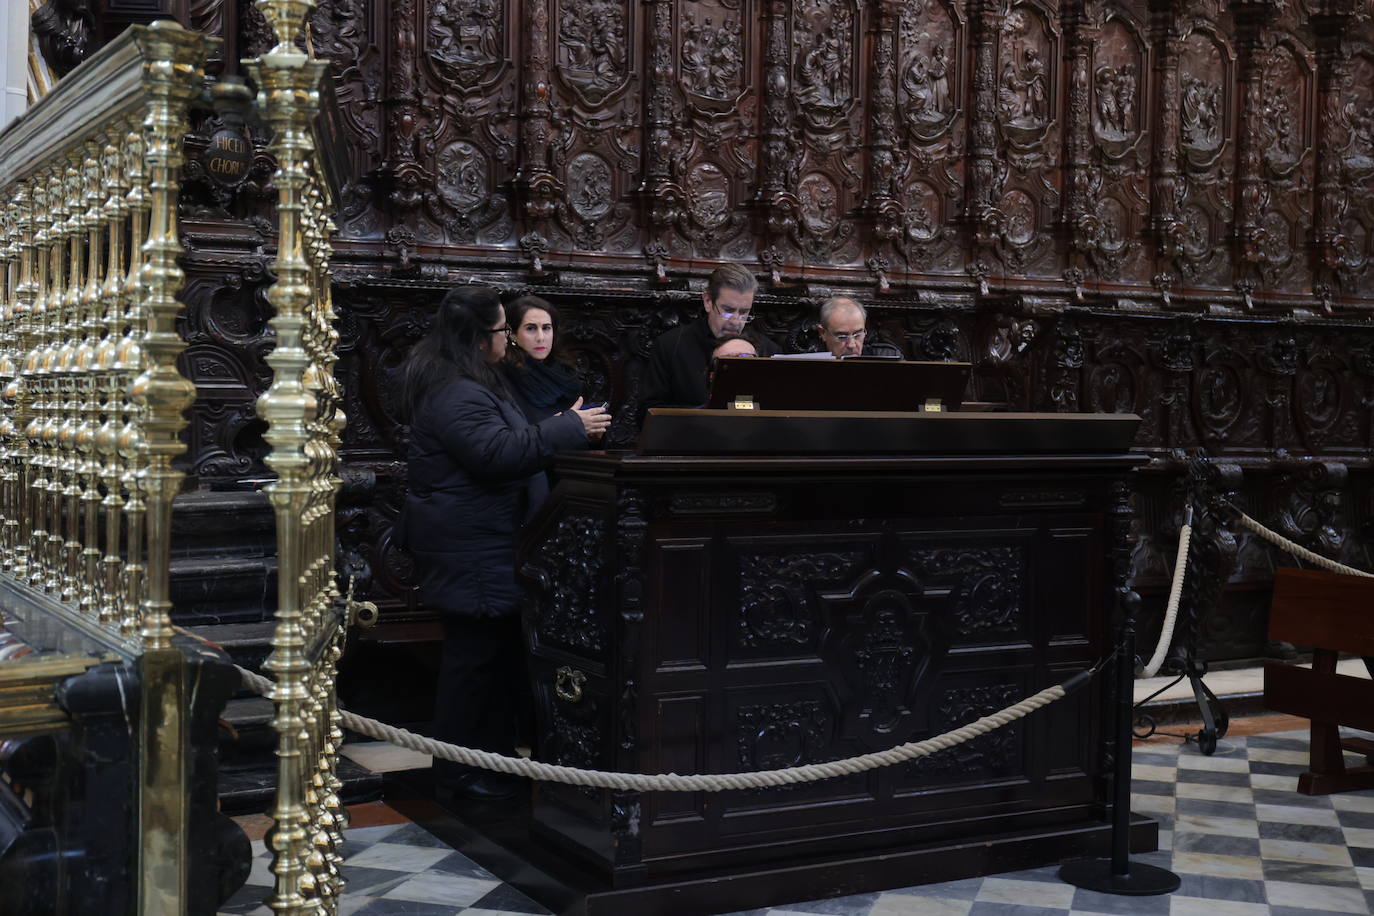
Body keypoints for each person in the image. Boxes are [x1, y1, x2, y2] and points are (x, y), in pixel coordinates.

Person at [398, 286, 610, 801]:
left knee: (487, 664)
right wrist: (567, 428)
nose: (507, 340)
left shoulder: (468, 381)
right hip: (472, 548)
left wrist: (559, 426)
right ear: (479, 338)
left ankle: (487, 768)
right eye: (501, 331)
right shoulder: (457, 390)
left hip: (482, 544)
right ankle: (458, 775)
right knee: (471, 667)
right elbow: (494, 454)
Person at [641, 264, 776, 414]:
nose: (736, 321)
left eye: (744, 312)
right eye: (728, 310)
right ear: (707, 301)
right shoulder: (670, 346)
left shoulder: (768, 350)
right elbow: (648, 411)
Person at [502, 295, 583, 423]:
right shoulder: (504, 376)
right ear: (512, 334)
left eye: (546, 328)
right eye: (530, 328)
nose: (541, 337)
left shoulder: (566, 371)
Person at [816, 296, 903, 359]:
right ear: (822, 332)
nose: (851, 345)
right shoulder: (806, 362)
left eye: (857, 335)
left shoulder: (889, 357)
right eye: (842, 337)